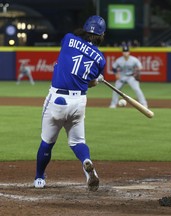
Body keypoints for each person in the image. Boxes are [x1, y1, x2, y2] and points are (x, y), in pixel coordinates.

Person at [34, 15, 106, 191]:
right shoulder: (101, 60)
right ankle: (86, 162)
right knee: (77, 142)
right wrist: (96, 80)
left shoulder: (69, 39)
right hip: (78, 102)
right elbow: (89, 82)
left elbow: (71, 59)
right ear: (101, 35)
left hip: (57, 100)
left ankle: (39, 179)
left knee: (47, 142)